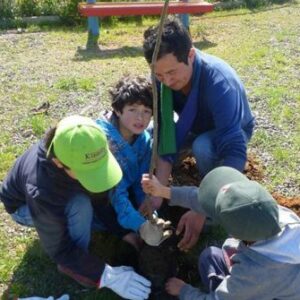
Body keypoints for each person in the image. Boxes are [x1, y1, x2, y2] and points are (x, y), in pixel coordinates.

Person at [0, 115, 151, 300]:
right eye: (87, 173)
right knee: (80, 205)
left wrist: (123, 232)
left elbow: (99, 193)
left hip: (61, 192)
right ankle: (73, 267)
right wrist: (105, 274)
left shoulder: (85, 142)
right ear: (58, 163)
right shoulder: (41, 190)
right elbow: (59, 248)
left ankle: (81, 256)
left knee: (90, 207)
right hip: (23, 208)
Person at [142, 17, 255, 250]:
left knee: (203, 146)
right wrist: (159, 189)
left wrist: (201, 207)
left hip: (232, 130)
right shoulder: (163, 77)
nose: (167, 81)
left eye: (172, 73)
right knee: (150, 135)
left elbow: (234, 148)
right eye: (160, 76)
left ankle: (214, 207)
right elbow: (165, 130)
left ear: (191, 55)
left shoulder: (219, 83)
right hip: (195, 124)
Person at [142, 166, 300, 299]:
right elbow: (204, 200)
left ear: (239, 235)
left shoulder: (255, 274)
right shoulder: (269, 212)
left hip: (263, 288)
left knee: (209, 260)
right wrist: (163, 191)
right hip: (269, 282)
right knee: (210, 256)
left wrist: (184, 291)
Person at [96, 75, 172, 248]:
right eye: (132, 110)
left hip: (125, 188)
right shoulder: (103, 142)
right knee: (101, 216)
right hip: (105, 194)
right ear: (117, 109)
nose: (140, 118)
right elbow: (117, 194)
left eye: (146, 111)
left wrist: (148, 204)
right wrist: (141, 226)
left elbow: (142, 179)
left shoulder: (144, 139)